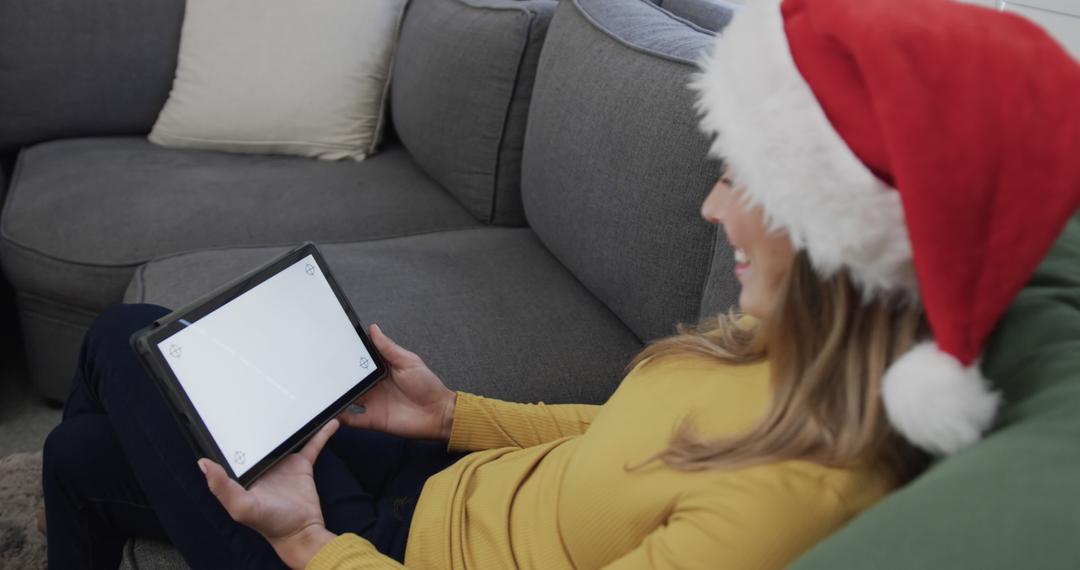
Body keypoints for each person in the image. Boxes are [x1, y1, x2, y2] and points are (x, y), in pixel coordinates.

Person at [40, 0, 1080, 568]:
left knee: (121, 361)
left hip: (384, 554)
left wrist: (307, 542)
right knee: (95, 428)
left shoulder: (784, 512)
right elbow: (619, 440)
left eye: (741, 180)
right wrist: (453, 413)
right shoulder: (780, 346)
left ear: (838, 242)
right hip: (441, 493)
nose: (712, 210)